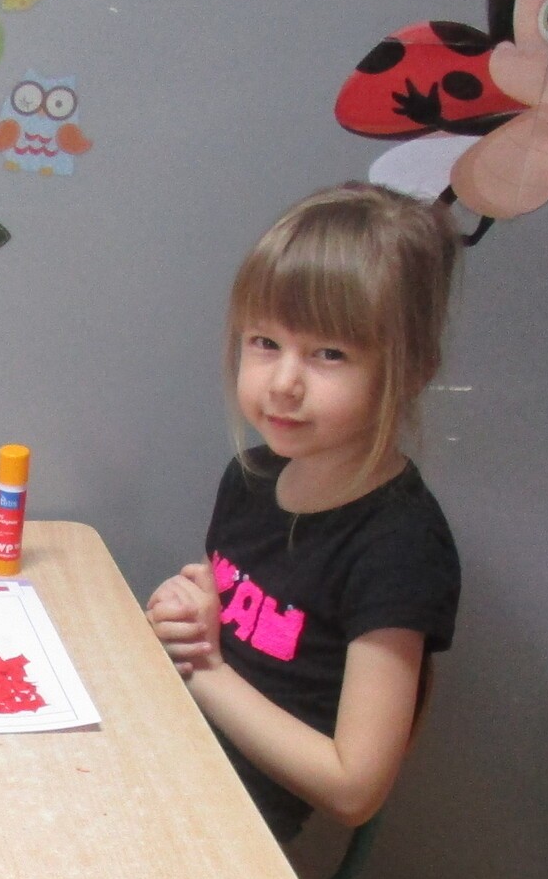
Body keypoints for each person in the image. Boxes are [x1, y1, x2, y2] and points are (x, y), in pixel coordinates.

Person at [145, 184, 463, 842]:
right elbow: (220, 624)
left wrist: (205, 671)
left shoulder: (400, 547)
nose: (284, 383)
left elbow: (354, 788)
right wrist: (182, 619)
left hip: (230, 827)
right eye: (265, 342)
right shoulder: (250, 478)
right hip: (170, 751)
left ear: (410, 370)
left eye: (329, 354)